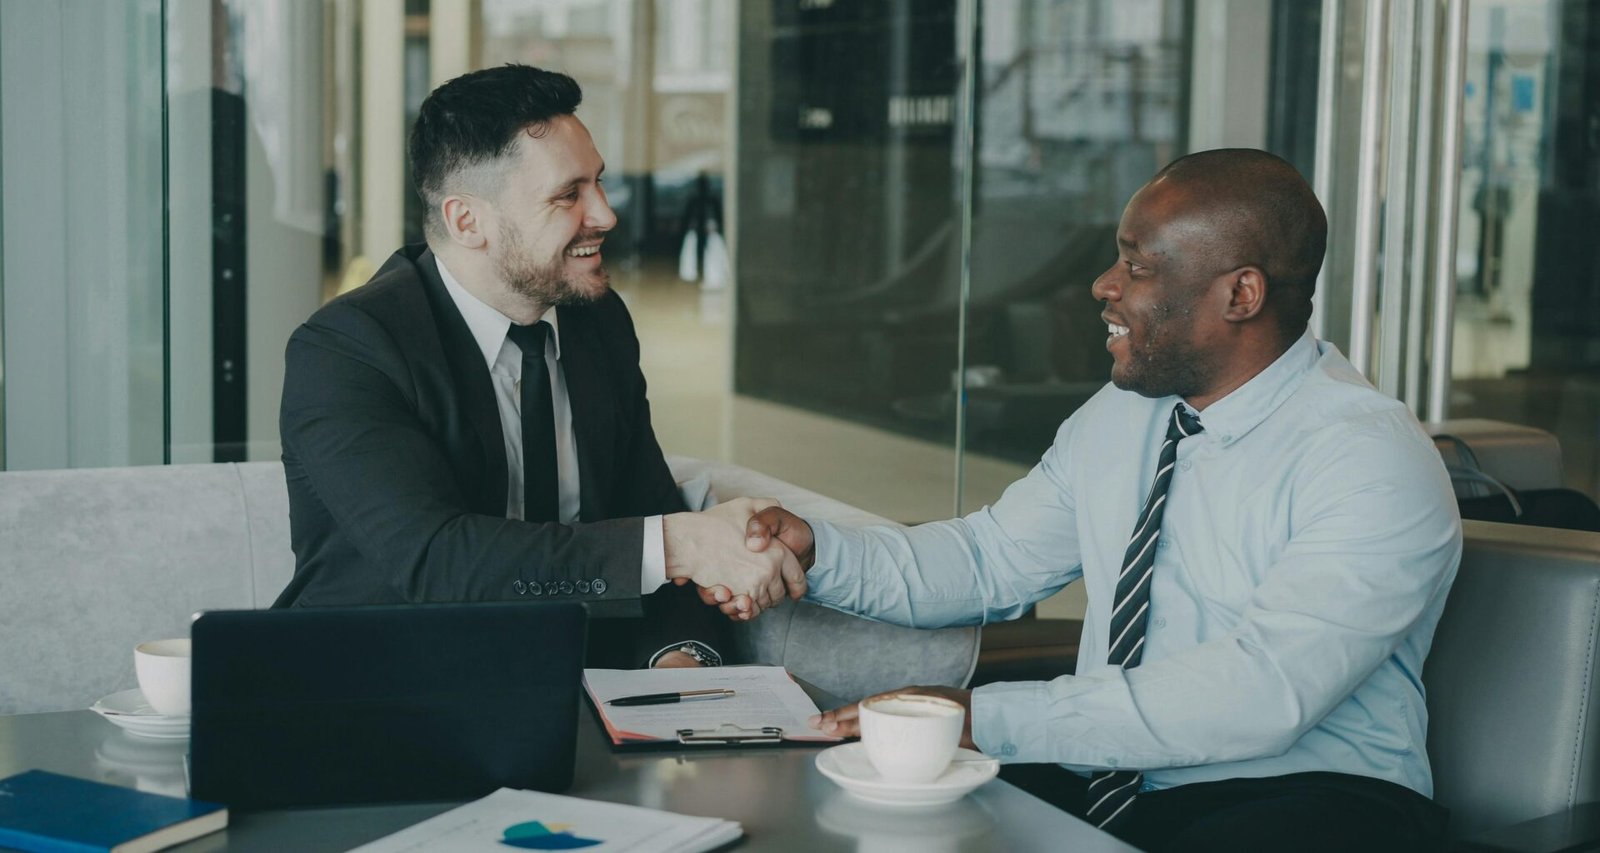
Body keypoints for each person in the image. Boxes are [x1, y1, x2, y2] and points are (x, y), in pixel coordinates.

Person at [732, 149, 1460, 850]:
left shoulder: (1369, 459)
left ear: (1240, 293)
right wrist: (820, 549)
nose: (1104, 285)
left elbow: (1261, 689)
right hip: (1119, 777)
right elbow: (991, 558)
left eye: (1138, 265)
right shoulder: (1129, 413)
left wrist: (983, 716)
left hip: (1313, 797)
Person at [276, 64, 801, 669]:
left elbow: (645, 510)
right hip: (378, 694)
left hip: (572, 688)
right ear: (466, 221)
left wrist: (678, 658)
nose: (604, 214)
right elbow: (434, 559)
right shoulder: (349, 349)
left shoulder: (596, 323)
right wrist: (679, 545)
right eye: (568, 194)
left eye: (598, 183)